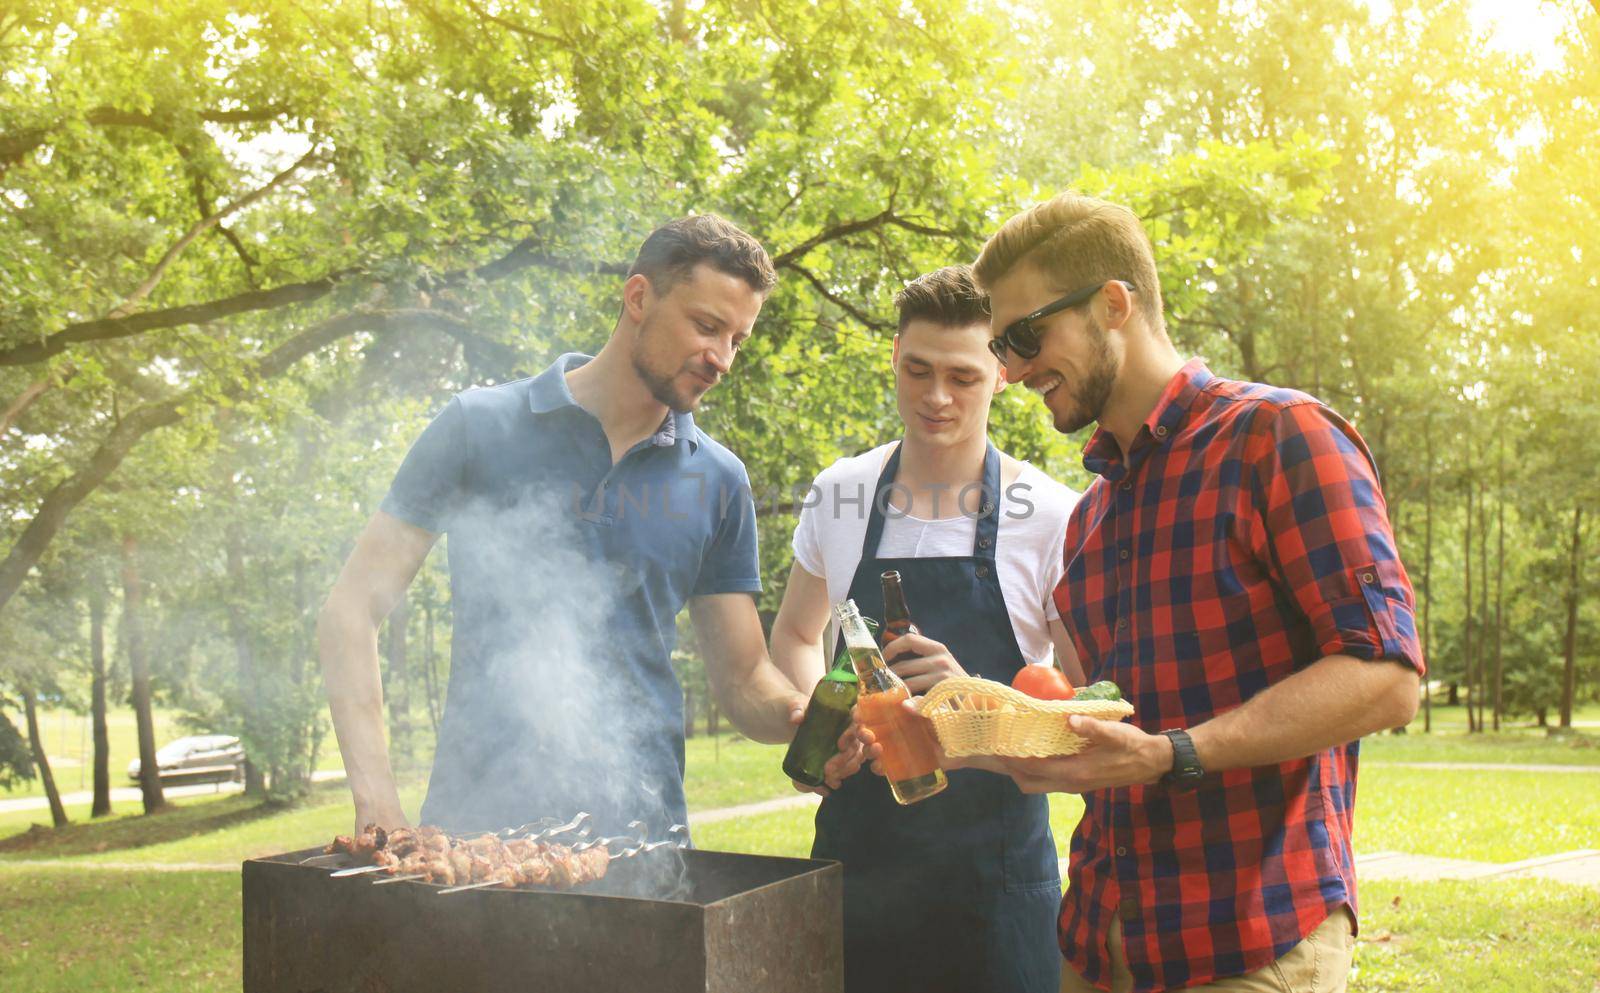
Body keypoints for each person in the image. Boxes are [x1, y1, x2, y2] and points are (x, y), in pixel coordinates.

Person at [922, 193, 1423, 993]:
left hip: (1249, 942)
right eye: (1001, 346)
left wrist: (1172, 754)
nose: (1010, 371)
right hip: (1097, 940)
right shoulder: (1089, 520)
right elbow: (1110, 724)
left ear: (1112, 304)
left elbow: (1387, 678)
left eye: (1024, 337)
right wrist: (998, 732)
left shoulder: (1279, 436)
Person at [317, 214, 824, 839]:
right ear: (638, 297)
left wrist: (801, 715)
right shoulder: (477, 427)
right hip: (475, 837)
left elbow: (745, 677)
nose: (721, 358)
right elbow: (351, 611)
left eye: (737, 340)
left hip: (648, 846)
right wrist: (377, 800)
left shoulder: (718, 480)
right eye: (706, 326)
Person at [769, 265, 1083, 993]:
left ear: (1003, 374)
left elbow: (1084, 704)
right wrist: (823, 719)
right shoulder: (840, 493)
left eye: (963, 377)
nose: (937, 397)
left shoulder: (1050, 513)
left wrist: (974, 696)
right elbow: (792, 634)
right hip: (857, 876)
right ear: (894, 360)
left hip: (996, 886)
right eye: (918, 370)